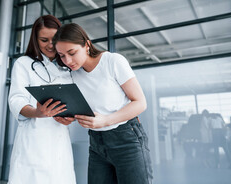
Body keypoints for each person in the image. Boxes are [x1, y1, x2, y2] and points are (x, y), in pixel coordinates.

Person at [52, 23, 153, 184]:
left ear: (86, 45)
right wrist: (66, 117)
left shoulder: (113, 61)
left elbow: (140, 103)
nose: (68, 60)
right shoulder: (73, 75)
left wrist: (105, 120)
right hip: (96, 143)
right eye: (62, 55)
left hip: (126, 140)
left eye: (72, 53)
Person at [8, 15, 76, 184]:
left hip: (60, 141)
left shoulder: (68, 67)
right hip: (33, 140)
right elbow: (16, 99)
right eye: (44, 40)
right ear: (35, 40)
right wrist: (37, 112)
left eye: (55, 39)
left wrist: (71, 117)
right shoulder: (23, 63)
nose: (50, 45)